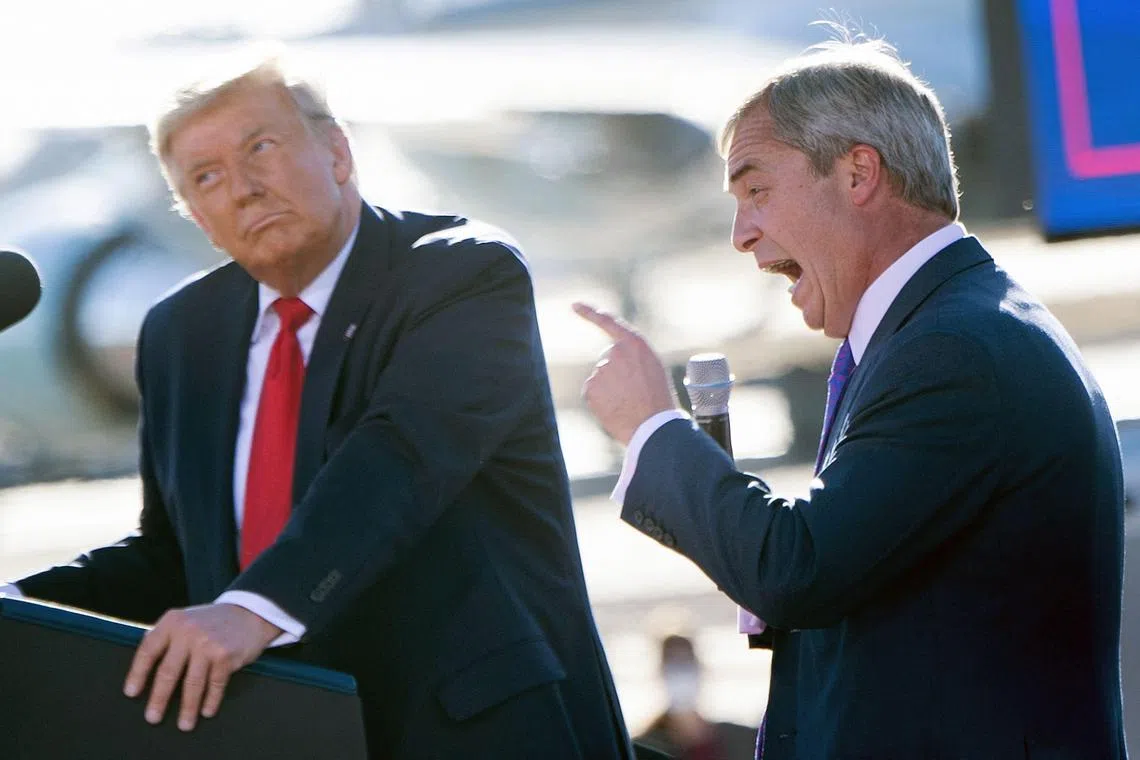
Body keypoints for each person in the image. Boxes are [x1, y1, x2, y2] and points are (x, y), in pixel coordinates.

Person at [3, 58, 634, 759]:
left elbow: (401, 459)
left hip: (474, 731)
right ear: (197, 218)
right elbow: (174, 557)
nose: (243, 190)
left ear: (337, 152)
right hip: (274, 731)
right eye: (206, 178)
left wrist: (252, 608)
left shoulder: (462, 273)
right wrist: (15, 605)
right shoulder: (181, 331)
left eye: (260, 149)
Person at [573, 30, 1127, 760]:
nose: (742, 234)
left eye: (757, 188)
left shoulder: (952, 349)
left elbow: (799, 568)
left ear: (859, 173)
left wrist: (652, 428)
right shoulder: (944, 328)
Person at [636, 633, 757, 760]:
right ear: (661, 673)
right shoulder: (645, 747)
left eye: (685, 663)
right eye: (673, 665)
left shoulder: (741, 739)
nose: (681, 675)